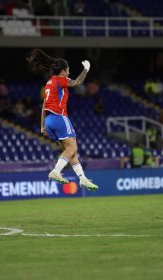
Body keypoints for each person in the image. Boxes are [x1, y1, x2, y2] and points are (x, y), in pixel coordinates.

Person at [27, 48, 98, 191]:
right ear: (63, 71)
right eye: (68, 70)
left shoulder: (49, 83)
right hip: (59, 117)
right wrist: (86, 69)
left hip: (48, 121)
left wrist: (42, 126)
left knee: (70, 151)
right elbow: (77, 82)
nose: (69, 73)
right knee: (73, 148)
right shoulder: (61, 80)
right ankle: (56, 171)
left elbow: (43, 106)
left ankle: (83, 179)